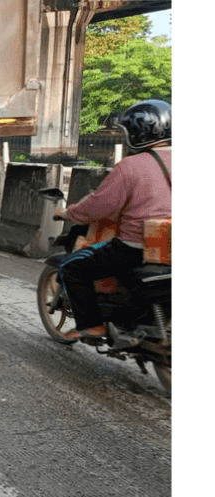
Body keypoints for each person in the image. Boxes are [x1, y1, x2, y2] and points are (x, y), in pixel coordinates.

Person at [53, 99, 172, 341]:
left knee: (73, 268)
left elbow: (100, 205)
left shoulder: (131, 166)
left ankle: (93, 325)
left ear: (138, 133)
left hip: (135, 247)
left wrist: (68, 213)